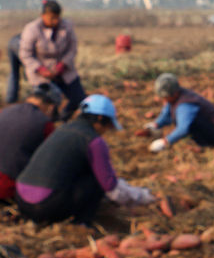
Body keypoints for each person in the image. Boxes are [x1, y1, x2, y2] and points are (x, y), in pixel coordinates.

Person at [15, 94, 153, 225]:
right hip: (45, 206)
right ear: (99, 118)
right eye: (109, 124)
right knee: (96, 181)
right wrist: (143, 196)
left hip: (21, 201)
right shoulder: (93, 141)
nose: (107, 130)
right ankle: (82, 223)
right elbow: (112, 189)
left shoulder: (62, 129)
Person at [0, 84, 61, 201]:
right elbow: (48, 158)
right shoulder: (46, 123)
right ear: (51, 108)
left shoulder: (4, 111)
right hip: (2, 187)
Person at [17, 0, 84, 118]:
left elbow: (72, 48)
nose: (55, 21)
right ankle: (50, 123)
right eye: (52, 18)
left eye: (57, 17)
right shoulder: (32, 29)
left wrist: (63, 64)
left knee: (78, 98)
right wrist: (40, 69)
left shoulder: (67, 26)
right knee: (46, 104)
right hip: (41, 74)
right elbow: (25, 54)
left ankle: (64, 118)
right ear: (43, 16)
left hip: (64, 71)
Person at [143, 73, 214, 151]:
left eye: (165, 96)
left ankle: (206, 145)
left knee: (189, 124)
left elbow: (183, 129)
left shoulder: (185, 105)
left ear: (173, 93)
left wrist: (165, 141)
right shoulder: (176, 97)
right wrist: (156, 124)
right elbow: (167, 112)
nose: (163, 99)